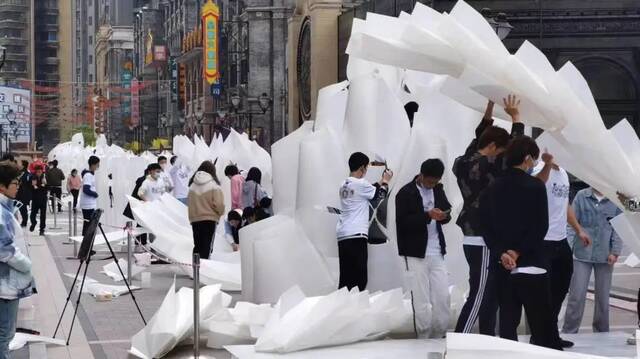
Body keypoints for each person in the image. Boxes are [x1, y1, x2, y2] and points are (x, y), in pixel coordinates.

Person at [479, 136, 561, 350]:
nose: (534, 164)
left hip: (502, 264)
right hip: (532, 261)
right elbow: (541, 227)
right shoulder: (535, 187)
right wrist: (518, 251)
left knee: (507, 319)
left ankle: (509, 354)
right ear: (527, 159)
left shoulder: (493, 187)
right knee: (540, 320)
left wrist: (502, 253)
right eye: (534, 159)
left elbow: (485, 227)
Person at [453, 96, 524, 335]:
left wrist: (490, 109)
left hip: (471, 234)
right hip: (483, 236)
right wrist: (516, 119)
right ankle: (459, 339)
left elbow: (480, 139)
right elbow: (514, 154)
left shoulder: (463, 161)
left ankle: (486, 337)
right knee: (480, 293)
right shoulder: (491, 164)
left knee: (488, 292)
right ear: (494, 148)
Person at [531, 151, 592, 348]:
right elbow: (534, 187)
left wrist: (578, 230)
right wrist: (548, 164)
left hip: (561, 239)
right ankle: (539, 336)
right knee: (543, 293)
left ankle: (551, 334)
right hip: (543, 241)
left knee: (560, 289)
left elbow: (565, 205)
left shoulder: (564, 174)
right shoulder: (540, 168)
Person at [396, 159, 452, 339]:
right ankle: (423, 334)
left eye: (435, 182)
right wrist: (427, 215)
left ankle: (440, 333)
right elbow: (403, 223)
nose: (432, 185)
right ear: (421, 175)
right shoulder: (406, 193)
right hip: (415, 252)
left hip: (437, 250)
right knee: (420, 298)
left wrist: (443, 216)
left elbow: (447, 211)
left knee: (442, 295)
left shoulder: (438, 189)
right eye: (429, 182)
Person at [562, 187, 622, 334]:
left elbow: (619, 227)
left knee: (603, 297)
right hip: (581, 254)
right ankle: (569, 331)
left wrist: (615, 251)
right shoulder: (582, 196)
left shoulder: (615, 199)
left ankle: (602, 332)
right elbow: (571, 222)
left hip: (605, 255)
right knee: (576, 294)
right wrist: (569, 248)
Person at [336, 152, 392, 291]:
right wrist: (386, 181)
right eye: (366, 168)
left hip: (343, 234)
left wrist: (379, 182)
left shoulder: (344, 184)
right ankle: (355, 307)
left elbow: (365, 191)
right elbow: (380, 195)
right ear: (362, 168)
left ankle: (342, 305)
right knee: (360, 278)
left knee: (346, 277)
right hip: (357, 234)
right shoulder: (361, 184)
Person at [0, 160, 35, 358]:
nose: (18, 186)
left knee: (5, 335)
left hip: (8, 283)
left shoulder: (6, 208)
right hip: (5, 286)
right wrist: (26, 264)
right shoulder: (1, 212)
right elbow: (4, 249)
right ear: (2, 186)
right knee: (5, 335)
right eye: (15, 183)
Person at [188, 161, 225, 259]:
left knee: (197, 245)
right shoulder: (213, 185)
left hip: (195, 220)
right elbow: (219, 204)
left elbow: (190, 204)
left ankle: (195, 268)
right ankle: (204, 270)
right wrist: (220, 213)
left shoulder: (192, 185)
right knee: (207, 246)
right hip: (210, 219)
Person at [79, 156, 100, 237]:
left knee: (88, 225)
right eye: (97, 165)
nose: (98, 166)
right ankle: (86, 246)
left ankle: (87, 246)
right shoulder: (88, 175)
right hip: (88, 204)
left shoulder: (90, 175)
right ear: (92, 165)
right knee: (88, 225)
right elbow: (86, 189)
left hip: (89, 203)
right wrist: (95, 194)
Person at [29, 165, 48, 236]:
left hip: (43, 199)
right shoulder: (33, 177)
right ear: (36, 172)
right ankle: (33, 223)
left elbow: (48, 187)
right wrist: (34, 186)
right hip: (35, 199)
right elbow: (31, 188)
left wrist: (45, 184)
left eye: (40, 171)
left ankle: (42, 229)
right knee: (32, 214)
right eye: (38, 172)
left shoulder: (45, 177)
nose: (39, 173)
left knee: (43, 215)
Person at [16, 161, 31, 227]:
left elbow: (28, 183)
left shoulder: (27, 174)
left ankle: (24, 221)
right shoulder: (19, 173)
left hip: (24, 193)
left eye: (20, 164)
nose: (19, 165)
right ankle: (23, 221)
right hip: (18, 193)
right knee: (20, 207)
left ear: (23, 166)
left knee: (23, 207)